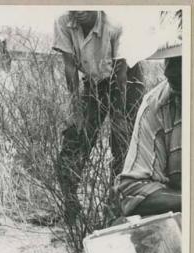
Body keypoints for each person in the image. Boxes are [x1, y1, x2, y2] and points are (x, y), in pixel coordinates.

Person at [81, 10, 182, 253]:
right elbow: (135, 192)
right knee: (118, 247)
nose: (171, 71)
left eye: (181, 59)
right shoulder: (159, 103)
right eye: (169, 61)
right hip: (181, 222)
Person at [52, 10, 145, 223]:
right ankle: (71, 208)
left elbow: (120, 74)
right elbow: (69, 67)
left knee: (123, 143)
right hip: (94, 81)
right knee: (75, 138)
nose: (80, 10)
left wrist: (119, 117)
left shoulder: (116, 22)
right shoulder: (63, 21)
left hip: (126, 80)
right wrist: (76, 109)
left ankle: (117, 209)